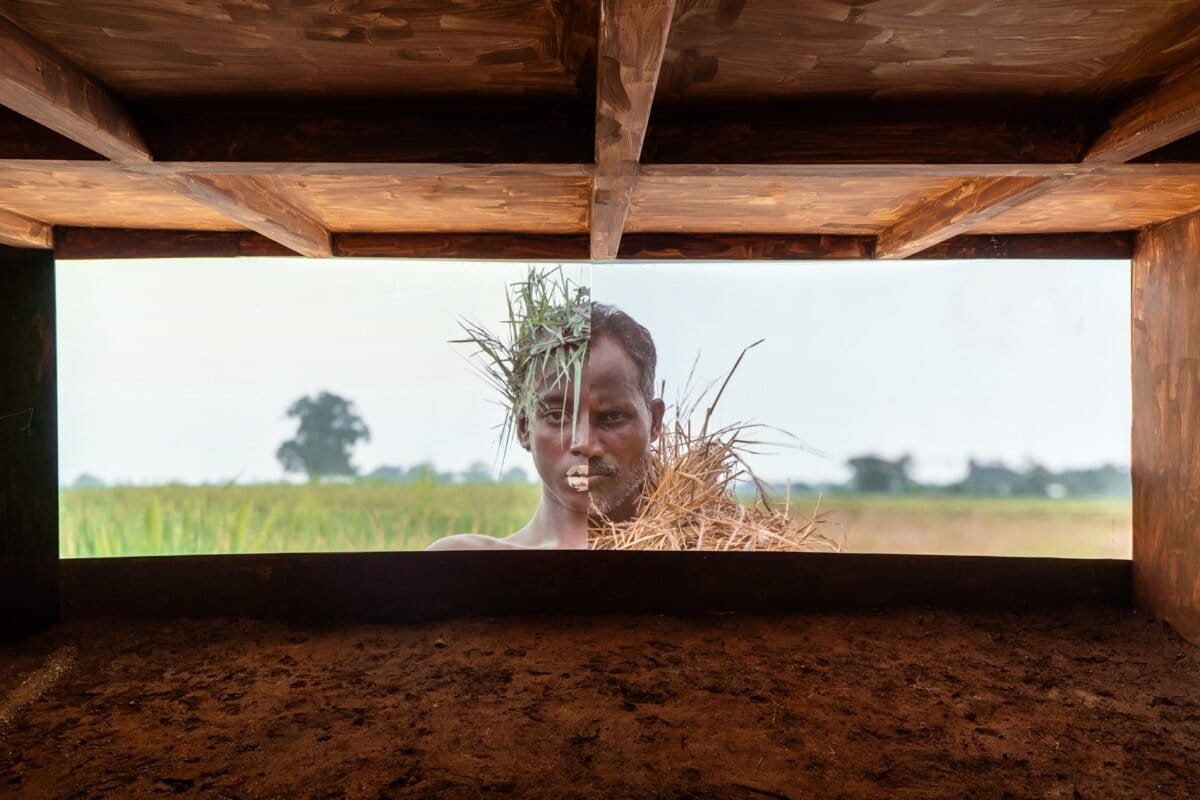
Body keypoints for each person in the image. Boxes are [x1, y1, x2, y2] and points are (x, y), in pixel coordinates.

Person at [427, 303, 665, 550]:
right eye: (556, 415)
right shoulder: (464, 562)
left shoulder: (696, 550)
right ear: (523, 427)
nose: (584, 443)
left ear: (654, 422)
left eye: (612, 416)